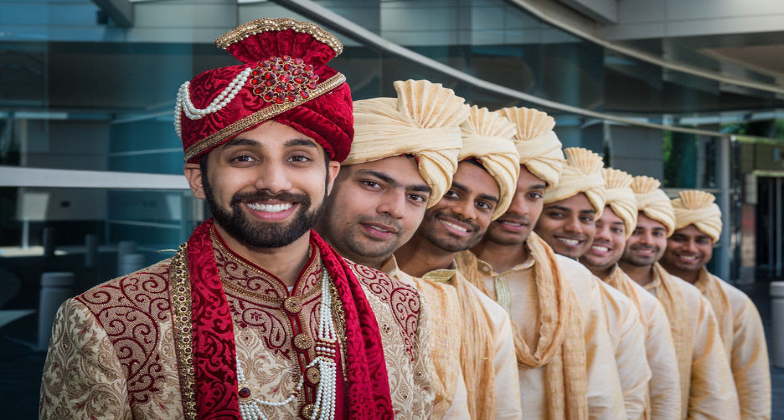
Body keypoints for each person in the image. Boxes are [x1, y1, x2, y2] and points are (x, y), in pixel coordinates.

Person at [39, 18, 433, 420]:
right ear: (198, 179)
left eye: (299, 158)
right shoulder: (108, 321)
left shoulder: (400, 305)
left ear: (329, 175)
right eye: (243, 158)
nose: (274, 182)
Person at [456, 107, 627, 420]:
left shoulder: (573, 279)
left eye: (534, 196)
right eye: (507, 193)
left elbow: (600, 391)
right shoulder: (442, 274)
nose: (519, 208)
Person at [316, 79, 471, 419]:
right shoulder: (257, 292)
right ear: (327, 180)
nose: (395, 209)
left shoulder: (431, 306)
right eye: (373, 184)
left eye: (415, 197)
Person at [394, 106, 524, 420]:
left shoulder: (490, 318)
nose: (467, 212)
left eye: (483, 204)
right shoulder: (353, 282)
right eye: (452, 193)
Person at [533, 147, 649, 420]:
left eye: (586, 218)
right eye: (558, 214)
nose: (575, 228)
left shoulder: (621, 305)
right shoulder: (480, 284)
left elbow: (628, 400)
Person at [620, 175, 740, 420]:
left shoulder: (690, 298)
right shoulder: (595, 290)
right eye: (637, 231)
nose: (647, 241)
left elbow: (715, 389)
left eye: (658, 232)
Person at [580, 168, 681, 420]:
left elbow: (661, 393)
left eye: (617, 228)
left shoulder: (641, 305)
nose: (604, 235)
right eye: (595, 223)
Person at [661, 190, 771, 419]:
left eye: (701, 240)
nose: (690, 248)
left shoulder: (736, 304)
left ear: (713, 244)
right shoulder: (637, 294)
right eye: (680, 238)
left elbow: (752, 382)